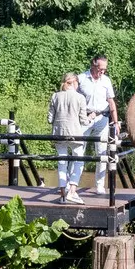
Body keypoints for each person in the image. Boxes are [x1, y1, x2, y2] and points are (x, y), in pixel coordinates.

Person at [70, 54, 118, 195]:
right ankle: (71, 184)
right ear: (93, 64)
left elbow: (111, 101)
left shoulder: (106, 80)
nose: (102, 71)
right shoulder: (81, 78)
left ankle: (100, 186)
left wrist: (115, 122)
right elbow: (71, 97)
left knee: (102, 152)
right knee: (78, 150)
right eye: (100, 68)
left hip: (102, 117)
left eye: (105, 69)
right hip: (84, 118)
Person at [49, 71, 90, 201]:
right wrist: (91, 118)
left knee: (62, 162)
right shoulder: (80, 98)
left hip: (59, 133)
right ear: (75, 83)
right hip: (75, 134)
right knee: (78, 161)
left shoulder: (55, 96)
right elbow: (83, 121)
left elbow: (50, 119)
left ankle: (62, 194)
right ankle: (72, 190)